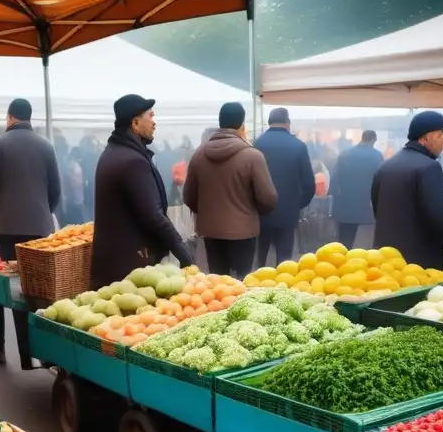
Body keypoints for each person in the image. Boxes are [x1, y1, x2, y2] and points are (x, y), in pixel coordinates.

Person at [0, 98, 61, 370]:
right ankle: (37, 353)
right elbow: (55, 191)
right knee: (36, 288)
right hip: (40, 228)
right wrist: (41, 212)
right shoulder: (46, 146)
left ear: (9, 117)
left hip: (6, 227)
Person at [90, 94, 194, 288]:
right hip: (129, 266)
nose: (154, 123)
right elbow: (152, 214)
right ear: (135, 123)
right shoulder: (132, 161)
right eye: (151, 116)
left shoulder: (114, 152)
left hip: (115, 263)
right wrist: (181, 250)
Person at [182, 102, 277, 278]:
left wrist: (206, 213)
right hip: (244, 231)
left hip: (211, 231)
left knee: (217, 283)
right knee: (242, 280)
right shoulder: (252, 156)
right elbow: (268, 197)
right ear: (242, 125)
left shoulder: (199, 155)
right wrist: (253, 214)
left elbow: (188, 196)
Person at [370, 111, 443, 268]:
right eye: (441, 136)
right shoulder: (429, 167)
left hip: (384, 258)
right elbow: (438, 218)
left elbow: (377, 209)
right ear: (425, 138)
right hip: (418, 260)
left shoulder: (385, 166)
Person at [253, 107, 316, 266]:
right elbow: (309, 183)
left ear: (269, 122)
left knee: (260, 257)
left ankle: (258, 285)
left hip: (261, 212)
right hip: (288, 212)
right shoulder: (298, 146)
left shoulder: (257, 144)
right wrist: (298, 204)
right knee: (284, 259)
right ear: (288, 123)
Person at [329, 130, 382, 248]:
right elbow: (380, 181)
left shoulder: (344, 154)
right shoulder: (377, 156)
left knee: (344, 246)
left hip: (345, 208)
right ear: (374, 140)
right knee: (365, 249)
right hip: (367, 209)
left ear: (362, 138)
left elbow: (334, 179)